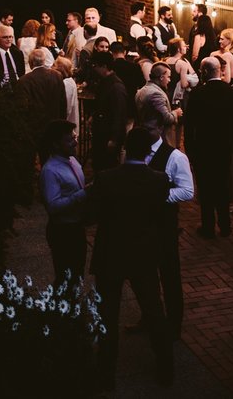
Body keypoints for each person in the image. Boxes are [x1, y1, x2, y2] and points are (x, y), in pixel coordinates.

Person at [90, 127, 174, 390]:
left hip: (111, 254)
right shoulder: (159, 181)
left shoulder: (105, 179)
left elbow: (92, 215)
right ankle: (166, 368)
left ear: (125, 149)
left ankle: (105, 374)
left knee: (107, 314)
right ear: (148, 152)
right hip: (144, 255)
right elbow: (161, 218)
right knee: (153, 311)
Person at [127, 130, 196, 342]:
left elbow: (187, 191)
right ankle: (149, 317)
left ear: (160, 129)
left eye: (151, 127)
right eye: (143, 127)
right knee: (145, 275)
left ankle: (174, 325)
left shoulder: (176, 157)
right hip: (141, 226)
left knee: (170, 276)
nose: (147, 131)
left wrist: (159, 197)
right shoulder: (135, 153)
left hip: (165, 225)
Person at [184, 57, 233, 238]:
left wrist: (189, 148)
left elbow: (189, 125)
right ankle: (225, 225)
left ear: (203, 72)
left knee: (205, 187)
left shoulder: (197, 94)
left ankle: (208, 225)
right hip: (225, 147)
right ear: (220, 70)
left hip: (203, 147)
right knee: (223, 184)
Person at [38, 119, 89, 286]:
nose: (75, 142)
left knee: (77, 273)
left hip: (77, 227)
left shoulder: (73, 161)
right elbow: (53, 206)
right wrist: (81, 195)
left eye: (74, 137)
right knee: (65, 276)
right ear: (55, 145)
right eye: (69, 140)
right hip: (63, 231)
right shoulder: (50, 171)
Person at [87, 51, 128, 171]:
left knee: (107, 167)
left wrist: (114, 139)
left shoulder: (116, 87)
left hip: (108, 135)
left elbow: (119, 115)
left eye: (96, 66)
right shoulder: (106, 82)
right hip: (102, 133)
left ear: (104, 66)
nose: (94, 69)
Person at [15, 48, 67, 141]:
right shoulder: (57, 76)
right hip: (54, 125)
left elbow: (22, 108)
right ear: (44, 61)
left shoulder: (24, 81)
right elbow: (63, 102)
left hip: (33, 129)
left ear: (31, 63)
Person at [162, 37, 198, 148]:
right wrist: (189, 81)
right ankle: (176, 147)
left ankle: (167, 146)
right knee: (179, 125)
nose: (186, 47)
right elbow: (184, 84)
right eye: (183, 45)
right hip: (179, 97)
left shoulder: (165, 61)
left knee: (168, 124)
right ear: (178, 49)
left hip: (167, 95)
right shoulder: (182, 63)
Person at [135, 62, 182, 138]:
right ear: (161, 77)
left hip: (144, 134)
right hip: (156, 137)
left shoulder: (141, 90)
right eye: (168, 77)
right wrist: (176, 113)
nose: (169, 80)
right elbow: (167, 118)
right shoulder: (156, 94)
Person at [0, 23, 25, 91]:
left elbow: (22, 74)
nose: (9, 40)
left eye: (11, 37)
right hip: (0, 89)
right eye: (5, 37)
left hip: (18, 87)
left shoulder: (18, 53)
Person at [51, 56, 80, 129]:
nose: (51, 67)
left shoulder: (67, 84)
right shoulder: (65, 82)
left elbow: (67, 107)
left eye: (54, 65)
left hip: (67, 124)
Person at [188, 4, 216, 71]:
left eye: (194, 11)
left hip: (199, 65)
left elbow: (195, 56)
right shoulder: (194, 28)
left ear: (200, 14)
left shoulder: (200, 35)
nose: (192, 13)